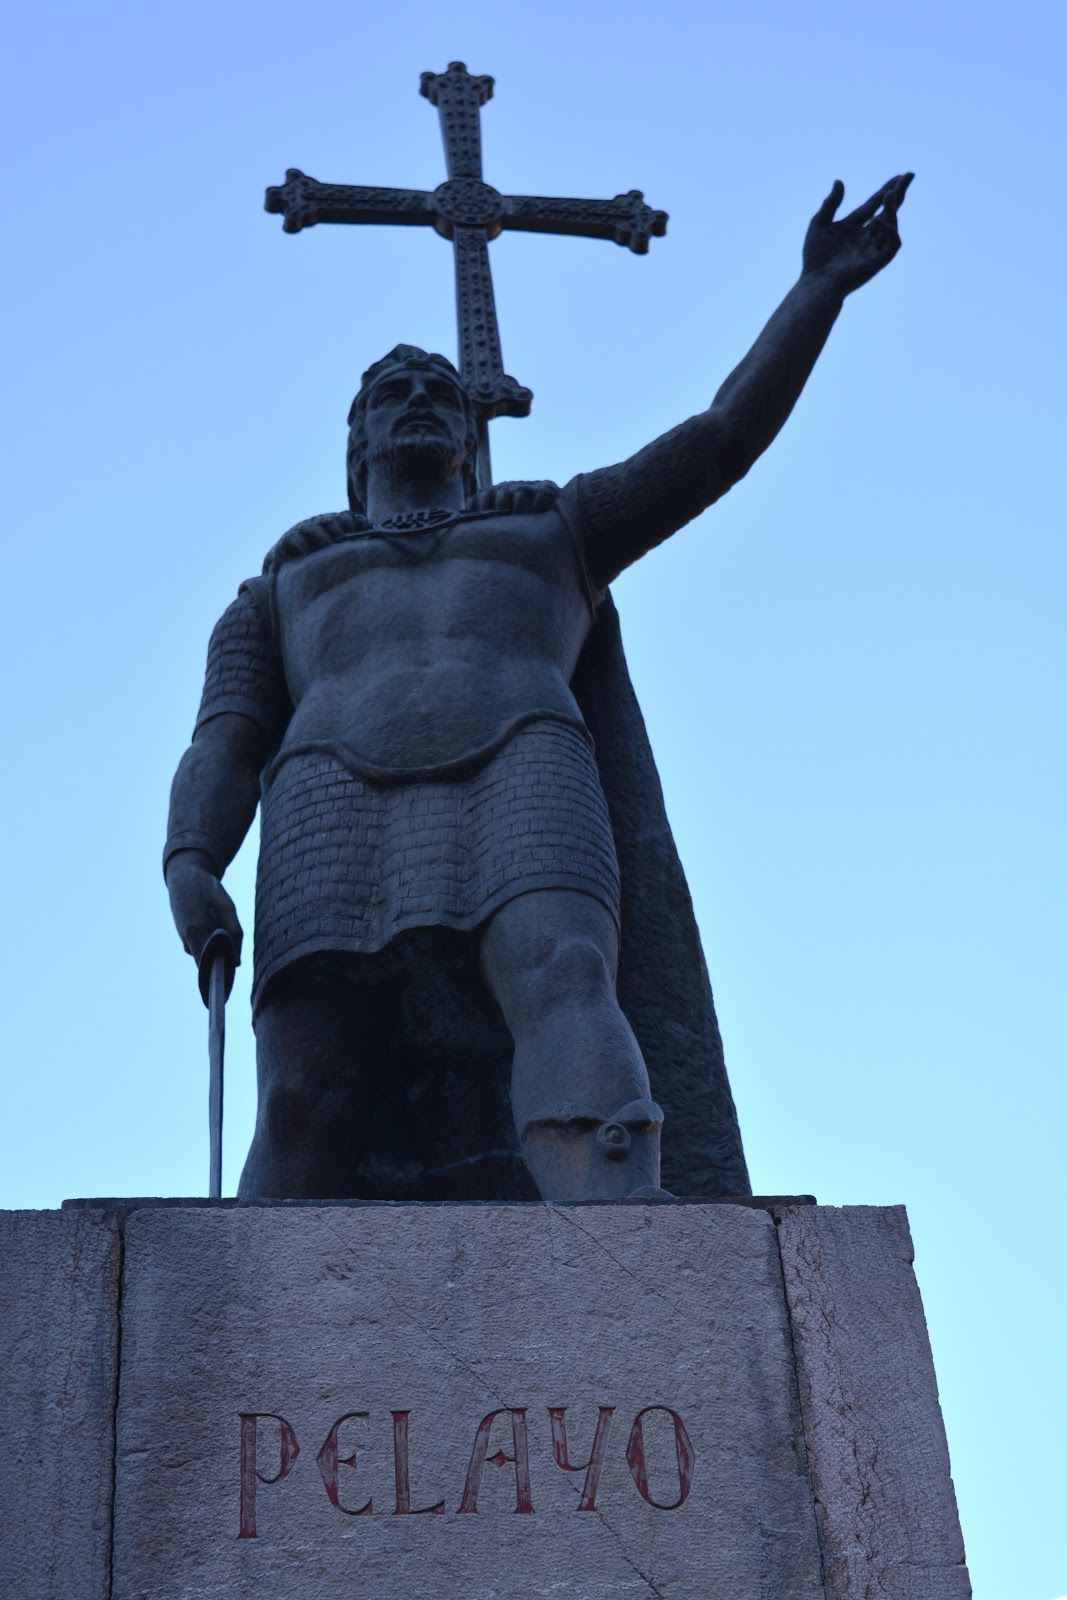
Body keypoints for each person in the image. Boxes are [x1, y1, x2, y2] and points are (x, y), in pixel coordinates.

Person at [165, 174, 912, 1202]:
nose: (423, 400)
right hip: (329, 797)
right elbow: (225, 738)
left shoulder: (553, 532)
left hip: (522, 762)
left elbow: (716, 438)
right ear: (358, 445)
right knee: (306, 1087)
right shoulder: (286, 581)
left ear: (470, 442)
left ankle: (630, 1246)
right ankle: (252, 1320)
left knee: (566, 976)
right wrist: (191, 857)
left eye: (440, 392)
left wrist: (815, 291)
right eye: (394, 393)